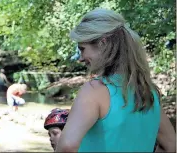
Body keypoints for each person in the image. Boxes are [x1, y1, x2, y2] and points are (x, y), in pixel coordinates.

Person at [56, 8, 176, 152]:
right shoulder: (148, 93)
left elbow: (67, 146)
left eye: (82, 49)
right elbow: (171, 145)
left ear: (103, 43)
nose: (81, 58)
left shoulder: (95, 91)